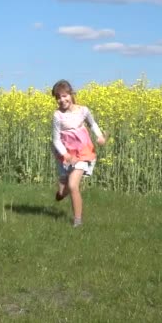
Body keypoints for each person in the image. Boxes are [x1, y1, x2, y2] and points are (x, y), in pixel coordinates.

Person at [50, 79, 106, 227]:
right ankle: (61, 193)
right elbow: (56, 140)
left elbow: (92, 124)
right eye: (58, 98)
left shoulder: (83, 110)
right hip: (66, 154)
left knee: (73, 184)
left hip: (83, 152)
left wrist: (99, 136)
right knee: (63, 191)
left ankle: (77, 221)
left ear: (71, 94)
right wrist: (65, 154)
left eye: (64, 96)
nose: (62, 100)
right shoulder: (57, 115)